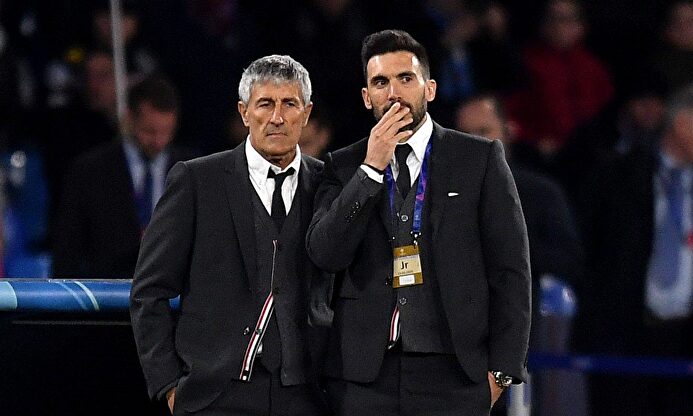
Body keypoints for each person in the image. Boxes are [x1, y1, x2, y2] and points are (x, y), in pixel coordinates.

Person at [306, 30, 531, 415]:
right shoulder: (343, 167)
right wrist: (370, 170)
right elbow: (325, 254)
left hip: (455, 375)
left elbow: (511, 269)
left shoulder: (478, 159)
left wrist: (502, 372)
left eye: (405, 79)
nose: (394, 93)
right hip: (363, 380)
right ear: (367, 97)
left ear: (430, 89)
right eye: (381, 82)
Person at [130, 55, 329, 416]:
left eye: (289, 104)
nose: (277, 117)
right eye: (265, 104)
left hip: (306, 397)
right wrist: (169, 385)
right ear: (244, 112)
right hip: (215, 395)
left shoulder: (328, 185)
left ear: (307, 113)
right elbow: (149, 290)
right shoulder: (196, 181)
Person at [582, 85, 693, 416]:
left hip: (685, 339)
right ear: (682, 123)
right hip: (625, 337)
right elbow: (591, 250)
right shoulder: (617, 174)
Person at [52, 75, 192, 279]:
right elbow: (67, 251)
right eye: (150, 131)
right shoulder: (90, 171)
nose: (159, 142)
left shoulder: (191, 170)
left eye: (166, 132)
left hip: (174, 290)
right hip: (109, 290)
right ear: (129, 119)